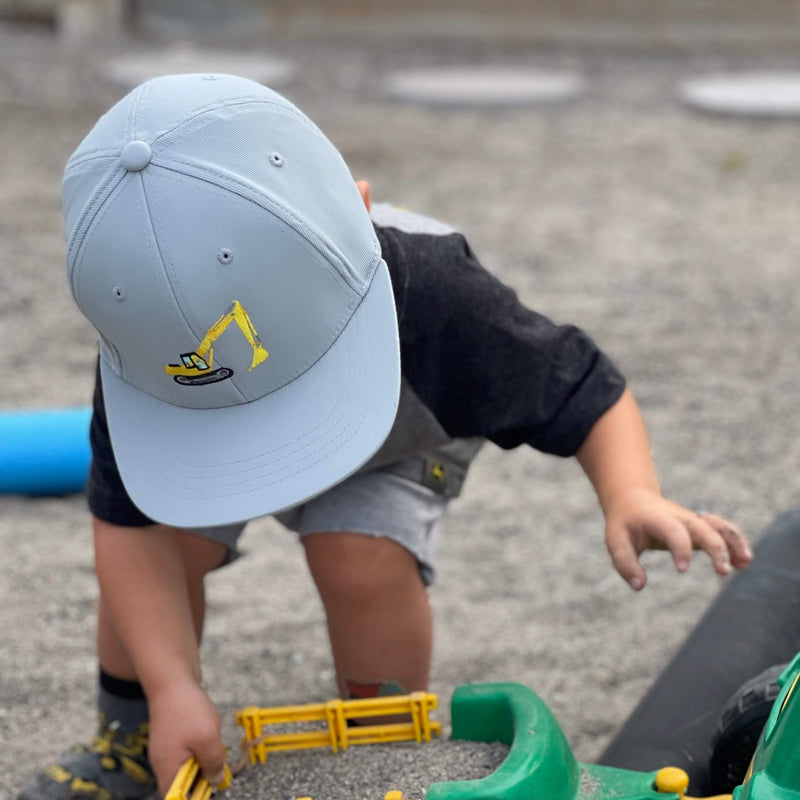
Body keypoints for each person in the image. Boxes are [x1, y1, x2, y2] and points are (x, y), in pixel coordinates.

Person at [21, 73, 752, 800]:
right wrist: (169, 687)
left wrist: (631, 494)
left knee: (358, 555)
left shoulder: (440, 298)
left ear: (362, 208)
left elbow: (583, 387)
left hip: (394, 435)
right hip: (209, 421)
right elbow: (127, 527)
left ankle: (381, 751)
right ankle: (128, 736)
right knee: (161, 546)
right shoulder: (149, 343)